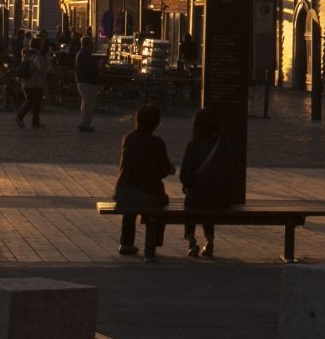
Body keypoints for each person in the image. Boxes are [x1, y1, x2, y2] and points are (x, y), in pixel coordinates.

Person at [114, 104, 174, 260]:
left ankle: (126, 242)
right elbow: (163, 170)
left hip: (123, 191)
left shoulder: (128, 138)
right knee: (160, 200)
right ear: (156, 123)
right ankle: (153, 242)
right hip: (148, 193)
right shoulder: (157, 142)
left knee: (131, 203)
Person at [179, 108, 232, 257]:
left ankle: (191, 240)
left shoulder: (195, 144)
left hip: (198, 197)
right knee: (209, 196)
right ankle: (209, 240)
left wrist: (188, 186)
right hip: (223, 198)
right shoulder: (225, 142)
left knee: (193, 202)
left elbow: (184, 174)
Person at [15, 36, 48, 129]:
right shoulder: (37, 56)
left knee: (30, 101)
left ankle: (25, 118)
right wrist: (48, 62)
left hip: (25, 82)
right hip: (35, 82)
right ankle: (29, 119)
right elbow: (42, 68)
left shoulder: (27, 54)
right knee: (36, 102)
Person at [74, 38, 102, 133]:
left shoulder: (82, 53)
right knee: (89, 103)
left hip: (84, 81)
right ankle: (84, 123)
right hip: (87, 81)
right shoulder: (84, 54)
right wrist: (98, 66)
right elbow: (88, 69)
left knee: (86, 102)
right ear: (88, 44)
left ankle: (84, 122)